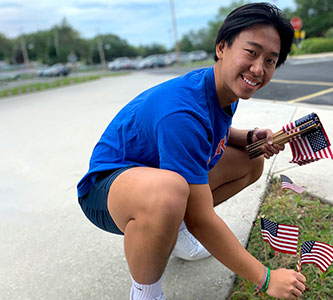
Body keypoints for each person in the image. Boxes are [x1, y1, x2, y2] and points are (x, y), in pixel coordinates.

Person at [77, 2, 306, 299]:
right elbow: (201, 217)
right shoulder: (182, 112)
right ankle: (145, 292)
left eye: (271, 61)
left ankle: (173, 229)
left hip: (155, 175)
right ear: (222, 47)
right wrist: (265, 278)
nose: (258, 69)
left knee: (251, 161)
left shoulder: (223, 88)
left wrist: (250, 137)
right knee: (170, 192)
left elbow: (211, 132)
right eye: (251, 52)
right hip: (105, 189)